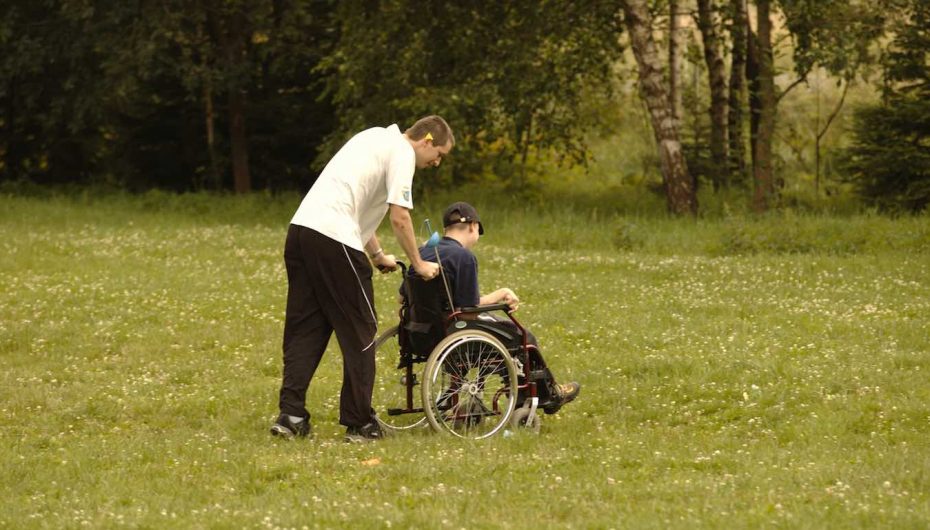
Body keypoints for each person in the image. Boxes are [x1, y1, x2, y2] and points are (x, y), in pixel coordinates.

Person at [271, 115, 453, 443]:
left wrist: (377, 255)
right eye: (438, 154)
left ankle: (291, 416)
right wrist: (419, 263)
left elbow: (354, 205)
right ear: (426, 140)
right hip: (334, 237)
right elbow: (400, 217)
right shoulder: (403, 153)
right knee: (361, 329)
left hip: (300, 232)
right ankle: (360, 423)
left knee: (306, 328)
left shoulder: (374, 138)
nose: (437, 162)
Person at [404, 201, 580, 414]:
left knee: (498, 329)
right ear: (473, 226)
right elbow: (469, 311)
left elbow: (402, 297)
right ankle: (546, 396)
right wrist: (501, 294)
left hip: (420, 335)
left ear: (445, 229)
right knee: (523, 337)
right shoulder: (463, 257)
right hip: (454, 333)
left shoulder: (423, 254)